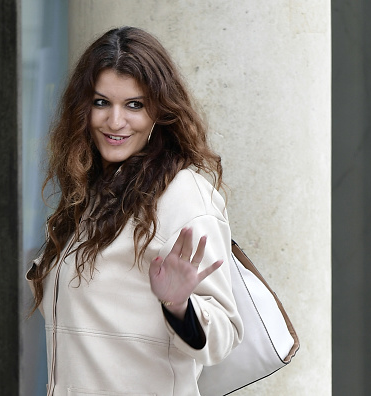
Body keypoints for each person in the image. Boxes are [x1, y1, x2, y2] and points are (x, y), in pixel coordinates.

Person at [26, 26, 243, 396]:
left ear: (159, 110)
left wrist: (178, 305)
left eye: (134, 105)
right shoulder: (92, 193)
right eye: (100, 103)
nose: (114, 122)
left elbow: (222, 335)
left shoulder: (182, 197)